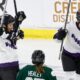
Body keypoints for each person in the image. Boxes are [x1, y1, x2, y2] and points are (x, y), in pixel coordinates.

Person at [53, 10, 80, 80]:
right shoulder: (69, 25)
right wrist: (60, 36)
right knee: (70, 77)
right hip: (68, 55)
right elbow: (55, 39)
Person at [0, 11, 26, 80]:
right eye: (10, 25)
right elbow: (5, 35)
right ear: (4, 25)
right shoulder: (2, 34)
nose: (12, 27)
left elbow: (11, 35)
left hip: (12, 66)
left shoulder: (9, 34)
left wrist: (18, 20)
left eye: (12, 24)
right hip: (6, 68)